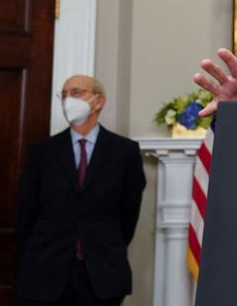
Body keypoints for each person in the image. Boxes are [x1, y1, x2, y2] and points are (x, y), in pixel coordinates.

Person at [15, 75, 146, 305]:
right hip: (46, 272)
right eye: (64, 95)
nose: (68, 100)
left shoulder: (124, 152)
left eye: (76, 93)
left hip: (102, 273)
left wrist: (104, 245)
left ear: (99, 101)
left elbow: (128, 213)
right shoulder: (42, 152)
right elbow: (26, 212)